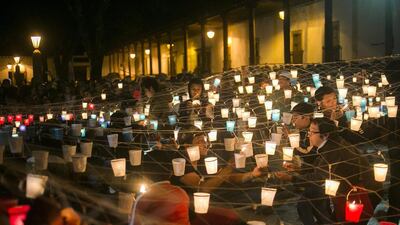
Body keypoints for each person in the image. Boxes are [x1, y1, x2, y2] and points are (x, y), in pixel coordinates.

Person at [275, 117, 379, 224]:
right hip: (340, 191)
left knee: (307, 202)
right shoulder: (331, 145)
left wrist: (290, 178)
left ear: (325, 135)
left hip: (353, 197)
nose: (309, 135)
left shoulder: (334, 150)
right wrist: (299, 169)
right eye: (309, 131)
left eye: (312, 132)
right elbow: (321, 168)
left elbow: (319, 177)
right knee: (307, 201)